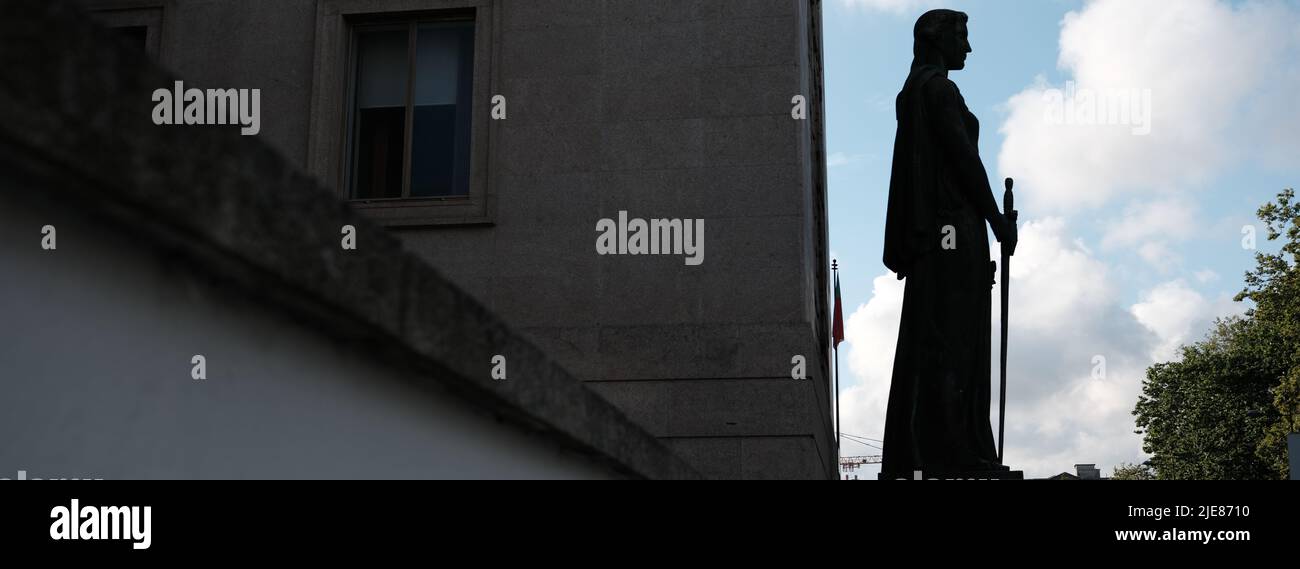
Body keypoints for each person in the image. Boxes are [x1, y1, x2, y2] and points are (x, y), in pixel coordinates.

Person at [881, 9, 1017, 477]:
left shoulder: (914, 91)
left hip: (942, 234)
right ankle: (956, 447)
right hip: (954, 230)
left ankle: (942, 444)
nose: (969, 48)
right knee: (955, 339)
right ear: (937, 39)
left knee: (942, 335)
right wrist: (997, 219)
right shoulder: (938, 89)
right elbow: (963, 158)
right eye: (962, 36)